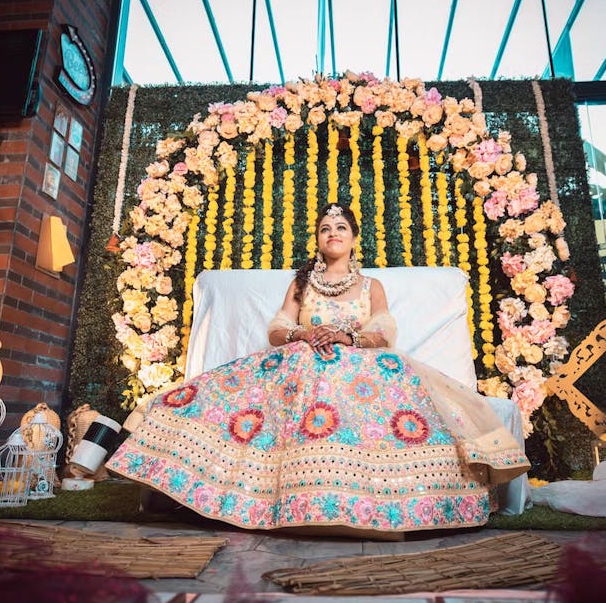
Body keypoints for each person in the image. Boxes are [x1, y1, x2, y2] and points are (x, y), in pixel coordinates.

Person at [107, 203, 529, 533]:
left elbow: (384, 329)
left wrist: (349, 338)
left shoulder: (371, 286)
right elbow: (277, 329)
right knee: (242, 389)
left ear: (354, 238)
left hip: (358, 365)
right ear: (318, 239)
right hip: (302, 360)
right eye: (326, 228)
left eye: (341, 227)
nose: (333, 233)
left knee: (391, 388)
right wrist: (304, 335)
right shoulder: (302, 283)